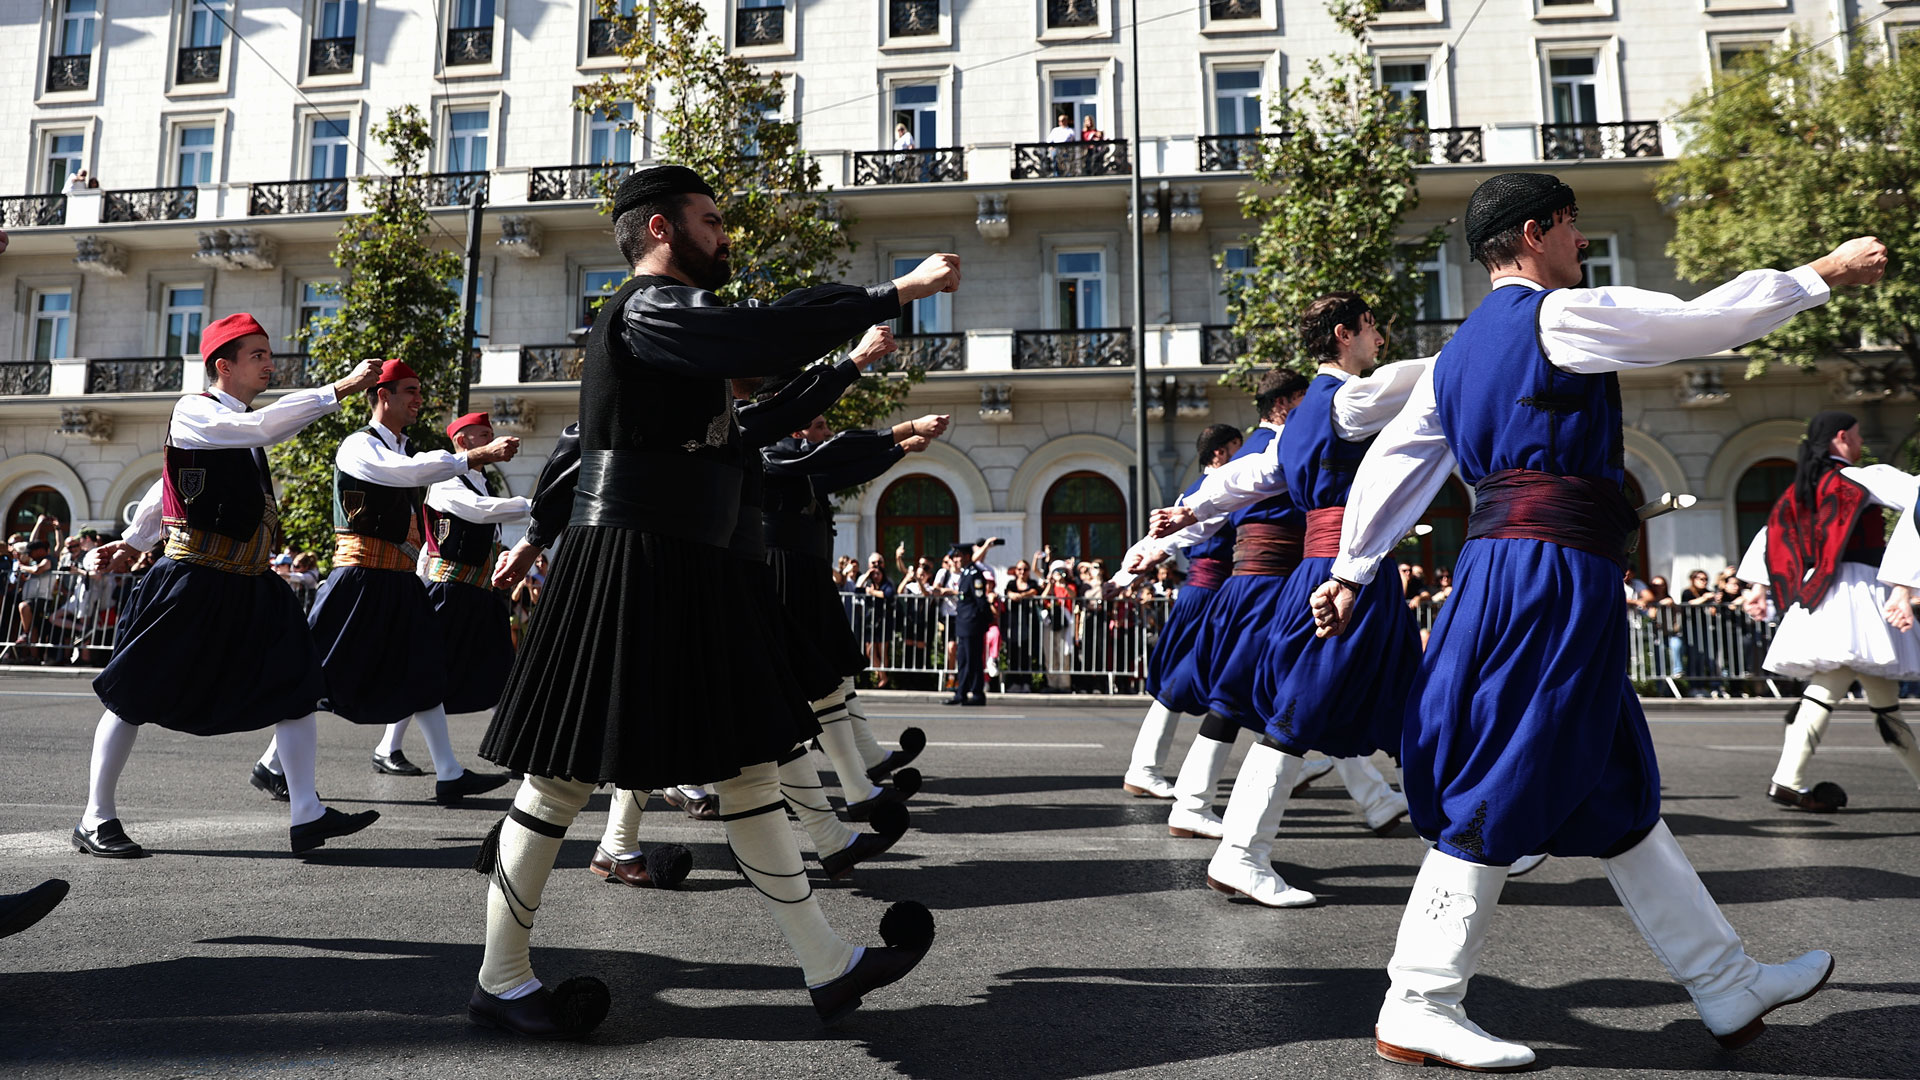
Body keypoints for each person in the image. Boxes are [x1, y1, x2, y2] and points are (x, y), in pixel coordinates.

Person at [1313, 170, 1882, 1069]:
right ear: (1537, 231)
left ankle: (1723, 981)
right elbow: (1702, 322)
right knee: (1504, 763)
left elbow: (1397, 460)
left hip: (1510, 566)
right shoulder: (1558, 317)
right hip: (1549, 571)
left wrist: (1351, 568)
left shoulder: (1456, 354)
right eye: (1575, 227)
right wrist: (1824, 273)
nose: (1583, 243)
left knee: (1612, 787)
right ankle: (1419, 995)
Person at [466, 165, 956, 1036]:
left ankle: (828, 964)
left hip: (689, 566)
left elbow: (756, 388)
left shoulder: (678, 323)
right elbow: (761, 339)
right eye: (711, 219)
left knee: (747, 765)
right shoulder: (647, 310)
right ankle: (501, 979)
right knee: (558, 781)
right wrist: (891, 291)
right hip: (627, 560)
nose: (725, 233)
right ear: (661, 229)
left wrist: (844, 359)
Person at [80, 313, 385, 857]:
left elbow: (166, 484)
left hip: (249, 581)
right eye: (258, 356)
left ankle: (306, 814)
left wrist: (133, 539)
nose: (270, 363)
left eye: (270, 354)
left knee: (297, 686)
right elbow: (260, 430)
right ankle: (95, 818)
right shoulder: (196, 409)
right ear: (224, 365)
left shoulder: (236, 423)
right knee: (133, 695)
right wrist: (339, 389)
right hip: (192, 578)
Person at [273, 359, 517, 807]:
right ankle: (272, 765)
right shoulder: (359, 445)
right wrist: (474, 456)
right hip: (359, 577)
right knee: (316, 674)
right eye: (410, 391)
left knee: (425, 669)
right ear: (382, 395)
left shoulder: (402, 450)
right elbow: (404, 474)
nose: (418, 400)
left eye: (419, 391)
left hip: (397, 580)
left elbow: (411, 470)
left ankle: (449, 773)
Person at [1736, 410, 1920, 811]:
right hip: (1860, 591)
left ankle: (1788, 778)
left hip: (1820, 594)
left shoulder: (1800, 489)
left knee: (1844, 691)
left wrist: (1758, 586)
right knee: (1865, 697)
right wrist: (1904, 581)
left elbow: (1772, 535)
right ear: (1841, 437)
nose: (1860, 442)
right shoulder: (1861, 478)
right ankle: (1787, 778)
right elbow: (1918, 496)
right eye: (1857, 435)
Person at [371, 411, 534, 790]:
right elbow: (477, 513)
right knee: (425, 671)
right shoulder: (445, 478)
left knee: (500, 670)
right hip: (447, 591)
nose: (493, 439)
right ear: (462, 442)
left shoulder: (482, 480)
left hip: (478, 591)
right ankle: (388, 747)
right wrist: (537, 506)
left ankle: (512, 748)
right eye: (483, 434)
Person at [1115, 423, 1242, 798]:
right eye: (1237, 448)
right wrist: (1132, 570)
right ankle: (1146, 768)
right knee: (1209, 679)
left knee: (1218, 678)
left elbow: (1152, 539)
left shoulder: (1196, 489)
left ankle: (1145, 767)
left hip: (1207, 591)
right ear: (1218, 453)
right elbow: (1166, 538)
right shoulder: (1215, 489)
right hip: (1210, 591)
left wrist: (1123, 575)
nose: (1243, 455)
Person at [943, 538, 999, 706]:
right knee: (964, 660)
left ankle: (977, 694)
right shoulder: (966, 573)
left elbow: (980, 601)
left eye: (958, 556)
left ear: (967, 556)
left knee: (973, 660)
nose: (955, 560)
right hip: (964, 624)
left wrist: (986, 620)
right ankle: (961, 693)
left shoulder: (975, 574)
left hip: (972, 624)